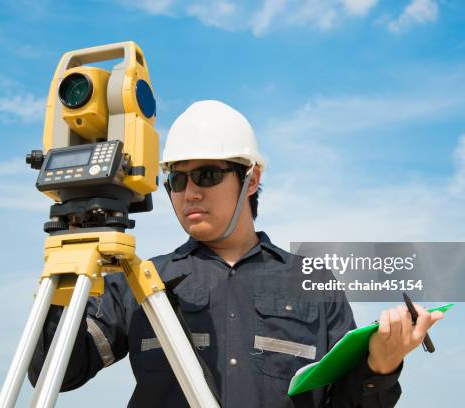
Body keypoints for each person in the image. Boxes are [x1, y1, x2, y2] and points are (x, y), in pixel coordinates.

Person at [29, 100, 443, 407]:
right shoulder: (141, 282)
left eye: (208, 174)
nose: (190, 192)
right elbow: (54, 373)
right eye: (177, 179)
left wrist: (380, 365)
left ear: (252, 179)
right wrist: (64, 275)